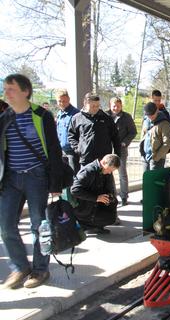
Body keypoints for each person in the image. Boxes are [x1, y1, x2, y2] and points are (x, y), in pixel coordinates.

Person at [0, 74, 63, 289]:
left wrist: (55, 183)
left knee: (39, 226)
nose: (6, 92)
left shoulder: (41, 115)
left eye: (11, 88)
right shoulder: (4, 118)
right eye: (5, 88)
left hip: (36, 177)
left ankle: (40, 270)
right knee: (6, 225)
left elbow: (54, 149)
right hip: (10, 179)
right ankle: (20, 267)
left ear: (25, 91)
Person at [71, 154, 120, 234]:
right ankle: (85, 224)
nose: (109, 173)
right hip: (84, 206)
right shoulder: (88, 171)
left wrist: (109, 197)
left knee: (112, 212)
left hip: (94, 204)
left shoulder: (103, 171)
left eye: (112, 171)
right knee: (108, 217)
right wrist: (96, 198)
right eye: (109, 170)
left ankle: (95, 226)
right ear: (104, 162)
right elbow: (74, 190)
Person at [68, 93, 121, 168]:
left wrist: (117, 155)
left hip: (104, 161)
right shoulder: (77, 118)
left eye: (97, 106)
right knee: (86, 179)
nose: (96, 108)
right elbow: (71, 136)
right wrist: (79, 149)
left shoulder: (107, 118)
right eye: (93, 106)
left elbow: (116, 138)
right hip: (86, 159)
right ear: (85, 104)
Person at [106, 97, 137, 206]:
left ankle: (124, 196)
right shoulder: (105, 116)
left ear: (121, 106)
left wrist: (125, 142)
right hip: (107, 150)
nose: (116, 108)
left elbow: (133, 132)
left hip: (121, 149)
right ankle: (112, 196)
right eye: (113, 106)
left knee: (122, 173)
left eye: (118, 106)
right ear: (110, 105)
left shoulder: (126, 117)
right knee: (108, 174)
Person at [141, 102, 170, 171]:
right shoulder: (146, 120)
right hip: (145, 156)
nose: (151, 117)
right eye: (149, 115)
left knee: (154, 181)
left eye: (152, 115)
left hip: (157, 159)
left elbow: (167, 144)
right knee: (146, 179)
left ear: (157, 111)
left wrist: (155, 158)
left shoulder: (164, 123)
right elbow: (143, 135)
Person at [56, 90, 80, 173]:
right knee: (65, 177)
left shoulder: (76, 113)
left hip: (72, 151)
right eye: (60, 101)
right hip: (62, 150)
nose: (62, 103)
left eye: (64, 101)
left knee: (74, 176)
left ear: (69, 99)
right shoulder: (59, 114)